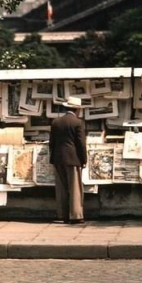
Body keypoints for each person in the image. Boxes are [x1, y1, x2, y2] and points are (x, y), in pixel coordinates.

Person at [49, 96, 87, 224]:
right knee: (75, 187)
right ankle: (76, 215)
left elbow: (51, 143)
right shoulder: (78, 123)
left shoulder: (56, 122)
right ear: (77, 110)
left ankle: (61, 215)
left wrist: (53, 157)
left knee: (61, 188)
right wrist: (84, 159)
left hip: (58, 158)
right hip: (73, 158)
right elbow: (81, 143)